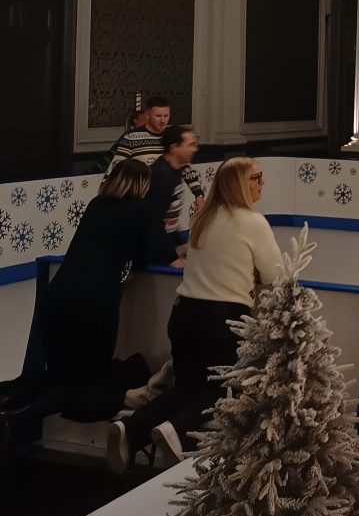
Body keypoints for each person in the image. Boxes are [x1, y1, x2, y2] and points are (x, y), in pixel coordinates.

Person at [108, 158, 284, 473]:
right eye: (257, 177)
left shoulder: (205, 216)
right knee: (222, 390)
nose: (263, 183)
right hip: (223, 317)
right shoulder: (252, 222)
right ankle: (174, 434)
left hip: (184, 313)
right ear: (240, 184)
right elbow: (276, 274)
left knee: (186, 387)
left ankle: (131, 431)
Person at [0, 160, 159, 448]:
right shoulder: (142, 209)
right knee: (86, 381)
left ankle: (13, 405)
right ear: (142, 184)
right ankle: (21, 417)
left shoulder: (97, 203)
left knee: (58, 374)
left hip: (59, 293)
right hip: (95, 302)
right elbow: (145, 257)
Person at [105, 96, 205, 211]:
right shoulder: (132, 137)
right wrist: (107, 197)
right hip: (139, 201)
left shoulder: (172, 136)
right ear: (148, 115)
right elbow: (116, 166)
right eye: (158, 116)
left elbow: (186, 167)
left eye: (166, 116)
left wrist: (198, 194)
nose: (163, 120)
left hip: (168, 204)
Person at [145, 124, 199, 265]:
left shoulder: (173, 171)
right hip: (154, 251)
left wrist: (178, 244)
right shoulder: (161, 175)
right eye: (191, 145)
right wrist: (171, 257)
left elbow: (168, 220)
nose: (195, 149)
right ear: (174, 147)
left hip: (163, 245)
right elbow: (153, 221)